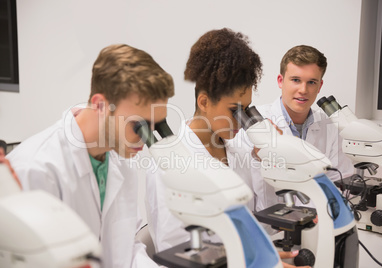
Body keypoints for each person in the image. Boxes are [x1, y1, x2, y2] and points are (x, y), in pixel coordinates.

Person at [146, 28, 310, 268]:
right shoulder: (169, 163)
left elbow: (255, 224)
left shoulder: (239, 148)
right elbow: (177, 252)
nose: (242, 120)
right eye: (234, 110)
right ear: (204, 101)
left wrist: (268, 164)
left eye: (248, 109)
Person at [7, 44, 174, 268]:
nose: (146, 139)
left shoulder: (120, 157)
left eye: (155, 126)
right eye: (139, 126)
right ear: (100, 105)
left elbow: (126, 250)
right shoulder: (36, 168)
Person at [255, 45, 354, 181]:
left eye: (312, 82)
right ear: (280, 81)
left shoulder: (331, 128)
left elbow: (339, 180)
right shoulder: (255, 123)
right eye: (296, 80)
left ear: (320, 86)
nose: (303, 90)